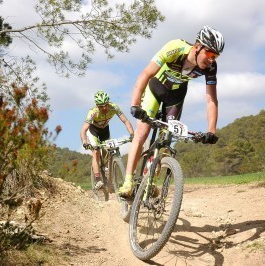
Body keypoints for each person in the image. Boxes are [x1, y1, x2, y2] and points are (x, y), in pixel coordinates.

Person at [118, 26, 224, 197]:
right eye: (210, 54)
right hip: (155, 90)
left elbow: (211, 99)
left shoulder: (210, 68)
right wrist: (135, 104)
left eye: (216, 56)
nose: (212, 60)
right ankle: (128, 181)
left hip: (175, 97)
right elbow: (145, 74)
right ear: (197, 47)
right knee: (143, 132)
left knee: (166, 141)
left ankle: (150, 181)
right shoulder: (175, 48)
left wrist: (211, 130)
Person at [80, 90, 134, 190]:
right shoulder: (93, 112)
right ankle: (97, 179)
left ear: (109, 103)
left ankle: (106, 170)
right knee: (96, 152)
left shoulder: (114, 107)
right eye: (101, 106)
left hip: (105, 131)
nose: (104, 108)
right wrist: (84, 142)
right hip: (93, 131)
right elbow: (83, 130)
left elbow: (126, 121)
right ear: (97, 105)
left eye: (106, 105)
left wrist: (132, 134)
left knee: (106, 151)